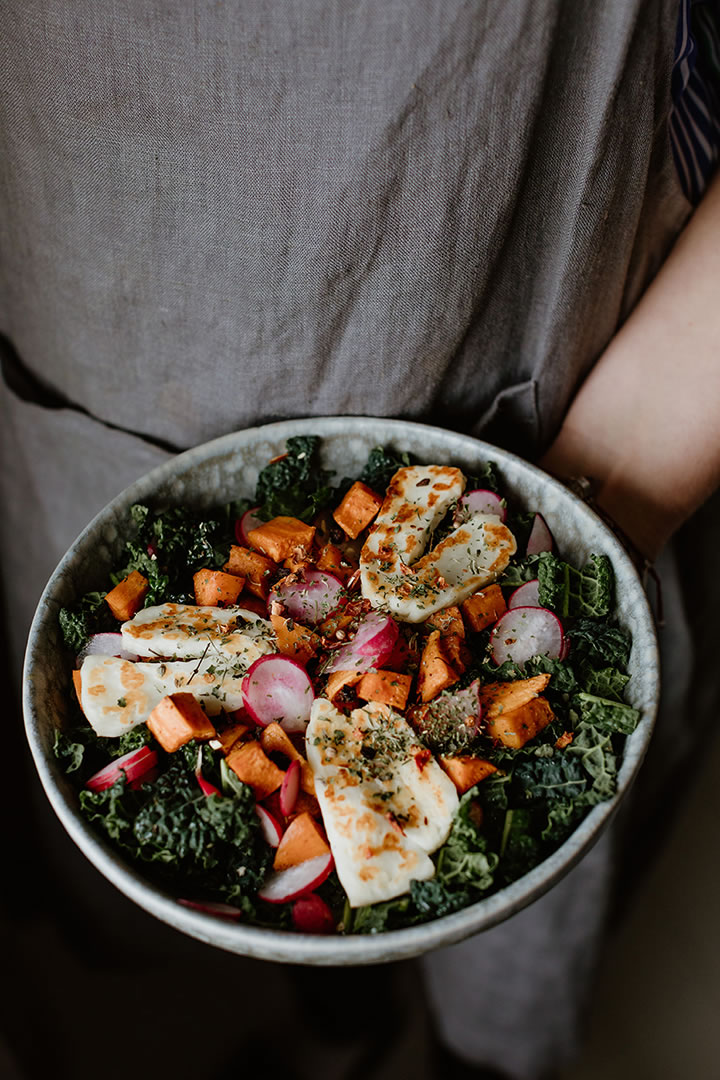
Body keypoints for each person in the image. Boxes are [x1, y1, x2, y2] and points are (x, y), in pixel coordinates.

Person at [1, 2, 719, 1078]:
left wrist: (613, 490)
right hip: (94, 334)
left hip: (577, 366)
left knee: (497, 921)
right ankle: (316, 1024)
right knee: (176, 946)